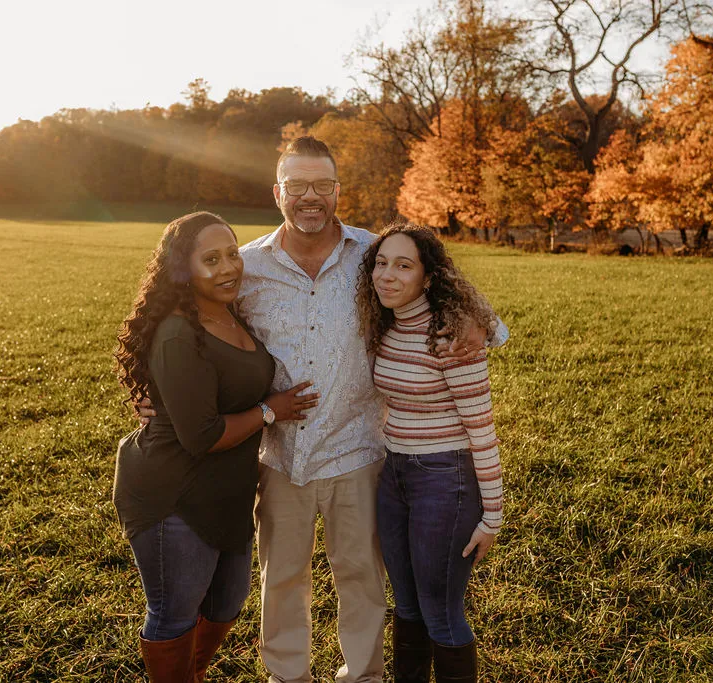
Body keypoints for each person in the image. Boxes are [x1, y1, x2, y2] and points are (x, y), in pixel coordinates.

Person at [139, 137, 505, 683]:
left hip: (358, 447)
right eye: (297, 186)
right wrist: (153, 384)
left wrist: (475, 325)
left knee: (361, 576)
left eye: (322, 186)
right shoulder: (250, 266)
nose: (310, 197)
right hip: (279, 454)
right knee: (281, 578)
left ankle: (363, 675)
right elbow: (188, 313)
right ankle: (288, 676)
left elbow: (449, 287)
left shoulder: (370, 253)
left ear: (337, 190)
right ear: (277, 192)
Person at [112, 211, 318, 682]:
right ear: (183, 270)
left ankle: (192, 673)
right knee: (174, 614)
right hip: (173, 494)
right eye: (211, 259)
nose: (228, 267)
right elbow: (202, 435)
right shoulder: (178, 333)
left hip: (228, 492)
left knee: (226, 604)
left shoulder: (231, 311)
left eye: (231, 253)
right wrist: (271, 411)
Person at [356, 222, 505, 683]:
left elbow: (481, 427)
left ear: (428, 276)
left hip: (446, 479)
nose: (388, 275)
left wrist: (493, 514)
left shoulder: (451, 334)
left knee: (440, 612)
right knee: (407, 605)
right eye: (381, 263)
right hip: (395, 475)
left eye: (404, 265)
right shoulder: (385, 327)